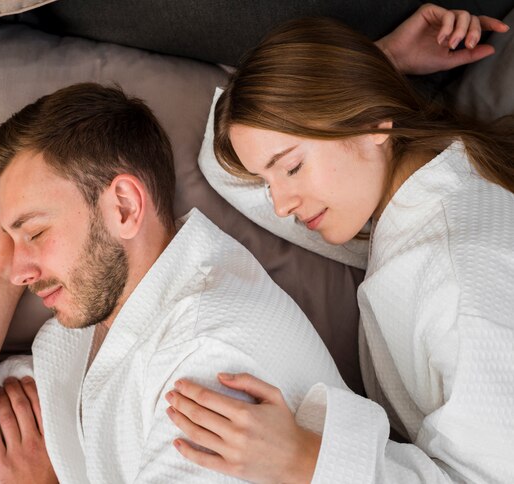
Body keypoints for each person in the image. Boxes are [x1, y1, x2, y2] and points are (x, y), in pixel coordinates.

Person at [0, 82, 347, 483]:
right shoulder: (83, 334)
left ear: (124, 207)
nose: (20, 268)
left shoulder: (207, 355)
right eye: (12, 241)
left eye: (36, 232)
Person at [165, 6, 514, 484]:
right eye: (268, 181)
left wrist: (305, 461)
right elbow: (222, 161)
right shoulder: (418, 184)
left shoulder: (456, 286)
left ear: (373, 123)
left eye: (290, 168)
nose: (281, 204)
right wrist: (378, 63)